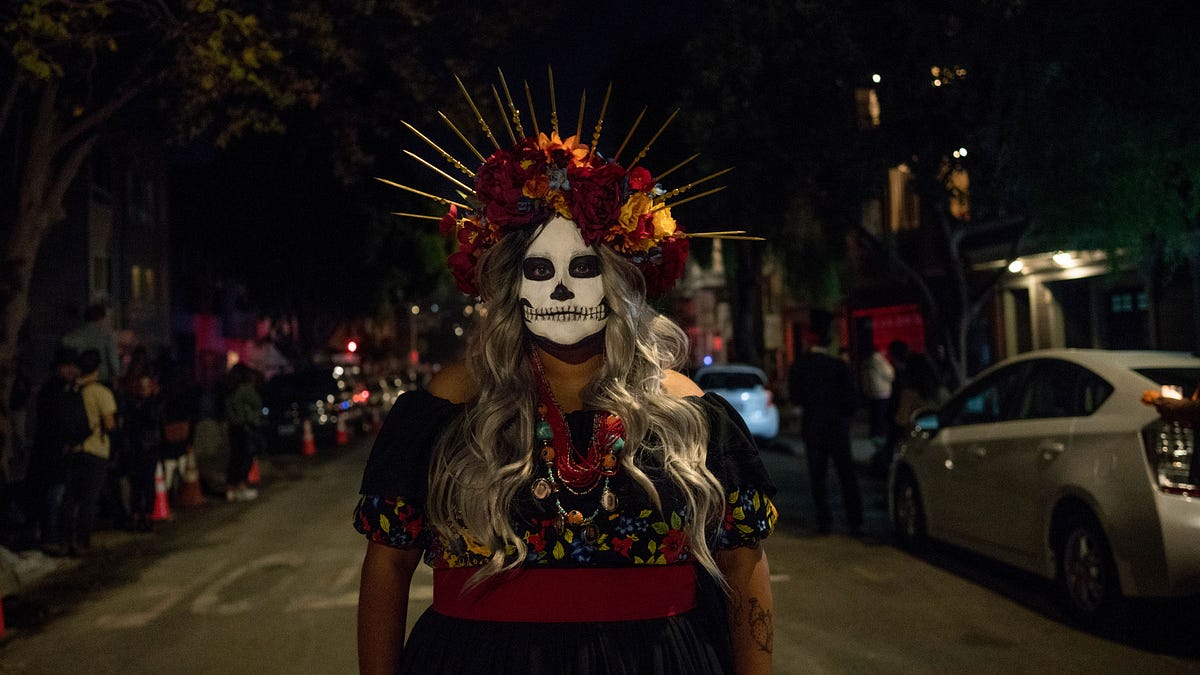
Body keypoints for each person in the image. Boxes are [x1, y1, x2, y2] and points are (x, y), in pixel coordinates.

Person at [354, 84, 777, 675]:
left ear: (620, 280)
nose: (561, 290)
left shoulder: (691, 413)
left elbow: (743, 563)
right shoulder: (444, 408)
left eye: (584, 268)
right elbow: (389, 563)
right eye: (537, 269)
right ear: (509, 283)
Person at [789, 310, 862, 535]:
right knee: (846, 473)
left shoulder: (800, 367)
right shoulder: (838, 366)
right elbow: (852, 399)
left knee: (818, 477)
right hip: (837, 426)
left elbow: (795, 397)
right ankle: (854, 519)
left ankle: (824, 520)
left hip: (813, 425)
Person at [62, 348, 118, 555]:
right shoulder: (101, 393)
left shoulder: (71, 390)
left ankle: (66, 539)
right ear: (97, 368)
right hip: (95, 450)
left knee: (70, 497)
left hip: (73, 449)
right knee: (89, 498)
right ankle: (83, 540)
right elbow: (109, 424)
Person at [27, 347, 80, 554]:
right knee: (54, 496)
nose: (71, 371)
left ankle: (53, 536)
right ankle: (50, 537)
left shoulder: (63, 390)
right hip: (52, 453)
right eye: (67, 366)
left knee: (56, 495)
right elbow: (56, 423)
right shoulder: (54, 392)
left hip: (55, 452)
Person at [223, 363, 263, 502]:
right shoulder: (246, 389)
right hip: (246, 427)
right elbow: (257, 404)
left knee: (234, 458)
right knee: (246, 457)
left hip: (234, 427)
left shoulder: (229, 390)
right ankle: (241, 485)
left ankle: (230, 488)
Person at [62, 303, 121, 389]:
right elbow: (114, 366)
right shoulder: (106, 338)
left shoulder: (69, 338)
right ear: (102, 319)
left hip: (77, 383)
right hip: (103, 383)